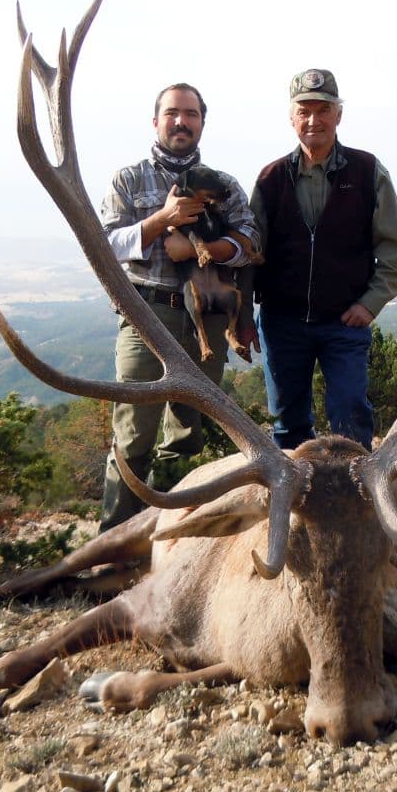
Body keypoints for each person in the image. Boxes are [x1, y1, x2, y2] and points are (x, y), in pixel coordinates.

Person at [99, 83, 259, 531]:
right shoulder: (129, 180)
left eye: (191, 114)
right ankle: (113, 543)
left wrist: (201, 249)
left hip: (206, 318)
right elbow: (106, 245)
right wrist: (161, 221)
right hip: (148, 316)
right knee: (133, 436)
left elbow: (250, 241)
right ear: (156, 121)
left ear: (202, 123)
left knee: (187, 436)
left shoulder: (224, 184)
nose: (181, 122)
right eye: (172, 113)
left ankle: (164, 535)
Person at [244, 69, 397, 451]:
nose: (313, 120)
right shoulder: (270, 179)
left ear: (339, 115)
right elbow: (249, 256)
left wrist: (370, 304)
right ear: (292, 118)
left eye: (323, 110)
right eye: (304, 111)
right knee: (287, 427)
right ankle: (295, 492)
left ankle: (355, 489)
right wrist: (242, 317)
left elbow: (393, 249)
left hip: (343, 324)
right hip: (282, 324)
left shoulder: (368, 172)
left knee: (350, 420)